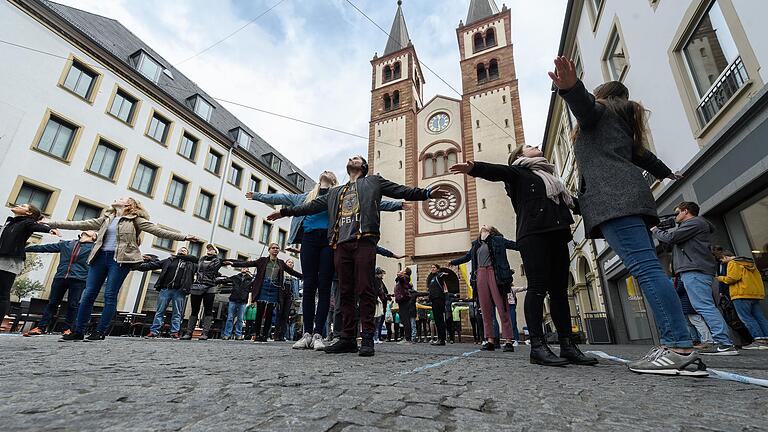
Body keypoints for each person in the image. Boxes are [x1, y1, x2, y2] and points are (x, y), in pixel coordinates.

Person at [550, 56, 707, 376]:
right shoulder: (622, 122)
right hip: (627, 199)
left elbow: (585, 108)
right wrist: (668, 173)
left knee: (647, 270)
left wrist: (570, 89)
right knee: (649, 268)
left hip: (614, 202)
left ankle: (678, 348)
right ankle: (679, 346)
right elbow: (645, 157)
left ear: (603, 96)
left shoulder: (600, 112)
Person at [267, 155, 447, 356]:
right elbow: (310, 206)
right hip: (341, 243)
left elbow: (401, 190)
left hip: (364, 239)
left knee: (364, 287)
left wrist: (427, 193)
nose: (352, 158)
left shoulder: (373, 182)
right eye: (351, 157)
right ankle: (347, 338)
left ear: (363, 166)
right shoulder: (336, 192)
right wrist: (285, 212)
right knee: (345, 291)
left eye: (356, 158)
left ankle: (368, 337)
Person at [46, 197, 196, 341]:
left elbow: (157, 231)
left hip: (120, 260)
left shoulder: (135, 220)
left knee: (110, 295)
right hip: (99, 258)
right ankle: (78, 331)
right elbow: (80, 224)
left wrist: (183, 237)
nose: (118, 199)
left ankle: (100, 331)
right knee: (88, 295)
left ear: (130, 204)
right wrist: (49, 223)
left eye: (122, 198)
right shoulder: (107, 218)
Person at [652, 202, 737, 356]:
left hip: (695, 270)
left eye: (677, 212)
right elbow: (670, 244)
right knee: (703, 306)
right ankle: (722, 342)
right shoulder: (693, 226)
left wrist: (655, 230)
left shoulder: (694, 223)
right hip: (694, 270)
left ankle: (725, 343)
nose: (675, 216)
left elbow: (671, 237)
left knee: (704, 306)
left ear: (686, 211)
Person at [449, 226, 520, 354]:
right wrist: (453, 262)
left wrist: (529, 243)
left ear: (491, 231)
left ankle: (508, 340)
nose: (483, 226)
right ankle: (490, 340)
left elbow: (515, 245)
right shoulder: (476, 245)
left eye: (486, 226)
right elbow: (467, 257)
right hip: (480, 275)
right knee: (486, 309)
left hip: (495, 273)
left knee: (502, 307)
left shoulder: (498, 240)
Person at [23, 230, 97, 336]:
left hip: (79, 279)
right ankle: (41, 327)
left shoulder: (94, 248)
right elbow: (45, 248)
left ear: (94, 238)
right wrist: (25, 248)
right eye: (85, 232)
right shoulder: (67, 244)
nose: (87, 232)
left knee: (73, 304)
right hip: (61, 277)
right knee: (52, 303)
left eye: (91, 233)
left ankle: (68, 329)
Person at [226, 243, 303, 343]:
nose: (275, 250)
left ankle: (265, 335)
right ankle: (257, 334)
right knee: (260, 311)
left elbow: (293, 272)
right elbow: (248, 263)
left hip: (275, 287)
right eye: (273, 248)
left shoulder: (281, 263)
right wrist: (233, 263)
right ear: (269, 250)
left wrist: (304, 276)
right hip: (263, 286)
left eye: (277, 248)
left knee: (270, 312)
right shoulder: (262, 260)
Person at [0, 204, 55, 327]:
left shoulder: (26, 222)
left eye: (23, 205)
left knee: (2, 293)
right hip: (1, 256)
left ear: (29, 213)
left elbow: (36, 226)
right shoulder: (11, 222)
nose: (18, 205)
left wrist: (49, 229)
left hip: (9, 260)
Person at [135, 246, 198, 339]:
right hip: (166, 289)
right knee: (160, 311)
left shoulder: (191, 264)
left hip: (180, 291)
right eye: (181, 249)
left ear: (187, 253)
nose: (182, 250)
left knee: (177, 313)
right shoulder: (169, 260)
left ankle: (174, 332)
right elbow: (152, 265)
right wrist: (136, 265)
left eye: (185, 250)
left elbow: (199, 263)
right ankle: (154, 331)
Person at [717, 251, 768, 349]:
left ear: (725, 256)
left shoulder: (733, 263)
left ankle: (759, 340)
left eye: (722, 260)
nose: (722, 262)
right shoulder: (749, 263)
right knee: (760, 317)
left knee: (746, 318)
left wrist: (719, 278)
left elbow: (732, 278)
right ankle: (766, 338)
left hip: (740, 293)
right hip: (753, 293)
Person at [181, 244, 223, 341]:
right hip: (198, 285)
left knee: (208, 310)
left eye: (212, 249)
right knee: (194, 309)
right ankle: (189, 332)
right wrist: (180, 255)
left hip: (210, 287)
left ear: (216, 252)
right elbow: (191, 258)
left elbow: (226, 263)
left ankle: (205, 333)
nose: (209, 250)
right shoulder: (200, 259)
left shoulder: (218, 261)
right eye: (208, 249)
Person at [673, 276, 713, 348]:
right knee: (692, 322)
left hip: (688, 302)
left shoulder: (681, 277)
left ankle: (708, 340)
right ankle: (699, 340)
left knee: (696, 321)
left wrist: (672, 292)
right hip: (687, 302)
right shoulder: (682, 276)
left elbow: (680, 289)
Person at [217, 267, 254, 341]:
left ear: (248, 269)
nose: (244, 269)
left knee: (240, 319)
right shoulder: (235, 277)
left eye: (246, 268)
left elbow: (256, 282)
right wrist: (216, 280)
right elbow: (225, 280)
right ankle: (227, 334)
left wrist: (251, 275)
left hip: (243, 301)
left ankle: (238, 334)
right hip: (233, 299)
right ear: (240, 269)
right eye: (243, 267)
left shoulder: (250, 279)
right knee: (230, 318)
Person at [275, 259, 298, 342]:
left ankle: (282, 335)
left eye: (292, 263)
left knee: (285, 315)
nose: (291, 263)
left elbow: (295, 289)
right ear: (286, 263)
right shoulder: (282, 272)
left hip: (289, 296)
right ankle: (276, 334)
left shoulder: (294, 275)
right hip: (281, 294)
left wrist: (295, 297)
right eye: (289, 262)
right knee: (279, 313)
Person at [427, 264, 449, 345]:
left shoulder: (438, 276)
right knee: (436, 320)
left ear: (438, 269)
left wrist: (442, 273)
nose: (432, 269)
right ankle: (439, 338)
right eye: (431, 267)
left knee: (440, 320)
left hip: (439, 299)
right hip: (433, 300)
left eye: (434, 267)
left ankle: (442, 339)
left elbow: (441, 276)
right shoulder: (432, 278)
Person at [395, 268, 414, 344]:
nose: (401, 270)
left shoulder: (405, 277)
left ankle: (407, 339)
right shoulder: (405, 279)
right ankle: (407, 338)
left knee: (405, 319)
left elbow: (401, 279)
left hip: (403, 300)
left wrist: (400, 275)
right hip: (402, 300)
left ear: (405, 272)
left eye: (403, 270)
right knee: (405, 319)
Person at [373, 267, 388, 344]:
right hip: (376, 302)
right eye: (381, 273)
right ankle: (374, 337)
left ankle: (377, 337)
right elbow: (376, 291)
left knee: (378, 321)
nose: (382, 275)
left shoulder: (379, 281)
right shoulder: (376, 281)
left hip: (380, 302)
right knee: (375, 320)